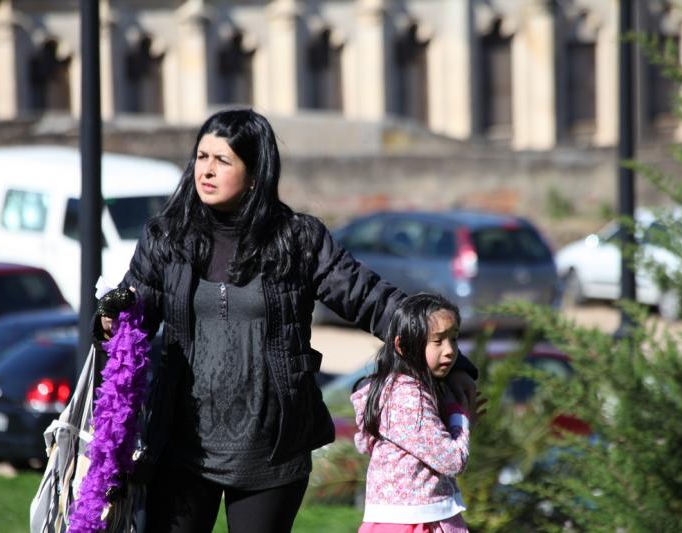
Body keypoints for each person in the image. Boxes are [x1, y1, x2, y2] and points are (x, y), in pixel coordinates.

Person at [96, 108, 478, 533]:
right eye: (201, 157)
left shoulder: (299, 240)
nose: (206, 170)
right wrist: (111, 321)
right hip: (182, 449)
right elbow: (134, 309)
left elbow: (370, 298)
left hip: (271, 453)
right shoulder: (166, 237)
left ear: (256, 172)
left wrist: (451, 359)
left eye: (222, 161)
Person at [351, 293, 483, 533]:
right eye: (438, 340)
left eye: (454, 339)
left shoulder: (408, 391)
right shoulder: (407, 397)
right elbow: (452, 460)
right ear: (402, 346)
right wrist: (460, 415)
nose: (450, 351)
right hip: (413, 523)